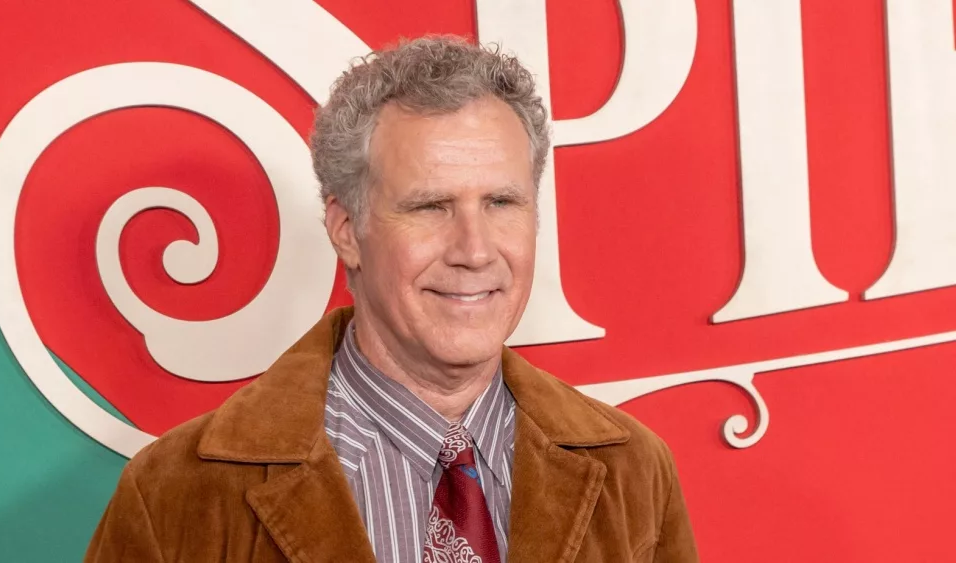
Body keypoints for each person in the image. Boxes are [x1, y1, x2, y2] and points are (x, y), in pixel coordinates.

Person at [85, 35, 699, 563]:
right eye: (430, 206)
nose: (474, 250)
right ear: (346, 230)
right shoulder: (178, 494)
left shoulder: (635, 471)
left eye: (501, 202)